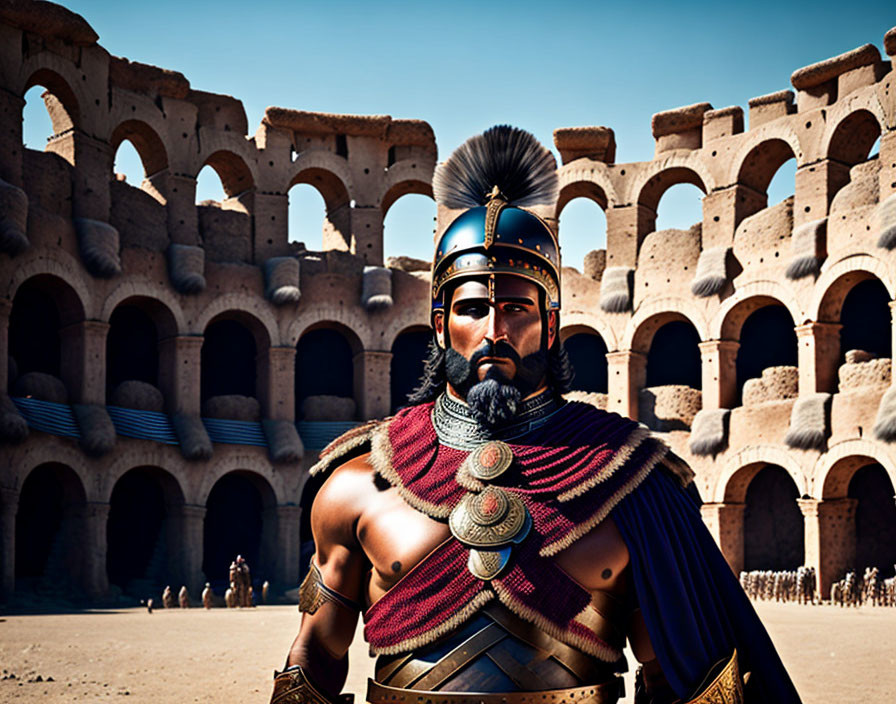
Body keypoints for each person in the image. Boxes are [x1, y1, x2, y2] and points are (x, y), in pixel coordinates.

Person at [270, 126, 802, 704]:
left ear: (550, 324)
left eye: (517, 308)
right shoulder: (355, 483)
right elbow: (314, 661)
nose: (495, 330)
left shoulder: (632, 481)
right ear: (441, 321)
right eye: (472, 308)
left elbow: (681, 680)